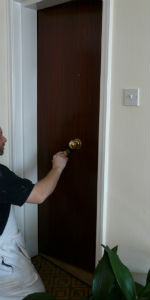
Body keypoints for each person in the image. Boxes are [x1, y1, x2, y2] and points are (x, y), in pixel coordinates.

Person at [0, 127, 68, 300]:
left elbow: (13, 188)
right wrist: (58, 167)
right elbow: (39, 195)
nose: (5, 139)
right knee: (34, 294)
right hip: (5, 260)